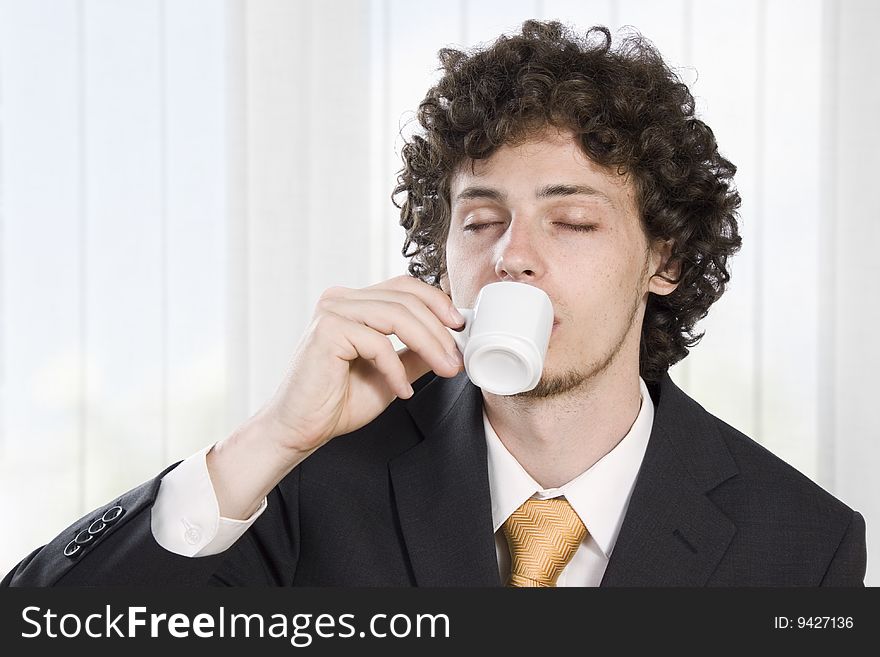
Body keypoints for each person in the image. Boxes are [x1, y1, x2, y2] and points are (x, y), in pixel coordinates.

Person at [2, 20, 866, 587]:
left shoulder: (802, 544)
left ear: (664, 257)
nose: (512, 257)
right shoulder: (311, 482)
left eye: (570, 220)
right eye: (480, 219)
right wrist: (270, 439)